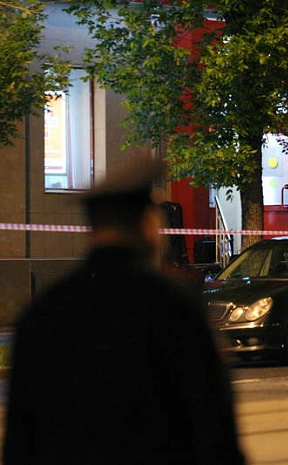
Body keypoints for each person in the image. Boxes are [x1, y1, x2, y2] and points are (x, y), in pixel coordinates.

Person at [3, 155, 247, 465]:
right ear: (148, 225)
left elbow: (20, 442)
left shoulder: (43, 313)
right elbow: (214, 431)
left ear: (92, 230)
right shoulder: (175, 307)